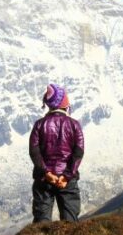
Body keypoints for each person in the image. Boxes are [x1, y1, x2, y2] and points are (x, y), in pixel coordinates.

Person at [29, 83, 85, 223]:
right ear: (62, 102)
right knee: (69, 222)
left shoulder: (39, 124)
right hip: (67, 180)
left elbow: (34, 151)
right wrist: (66, 176)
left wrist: (47, 173)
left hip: (44, 180)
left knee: (41, 220)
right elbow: (78, 152)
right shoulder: (74, 124)